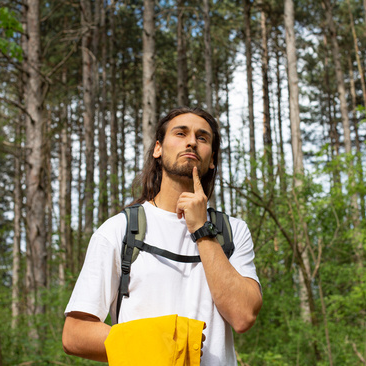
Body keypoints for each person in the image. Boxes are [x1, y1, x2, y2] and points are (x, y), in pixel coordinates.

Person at [62, 107, 262, 365]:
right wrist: (163, 341)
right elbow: (74, 334)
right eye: (181, 133)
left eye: (202, 138)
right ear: (158, 149)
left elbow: (243, 316)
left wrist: (202, 229)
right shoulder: (118, 230)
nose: (191, 141)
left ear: (211, 159)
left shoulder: (232, 230)